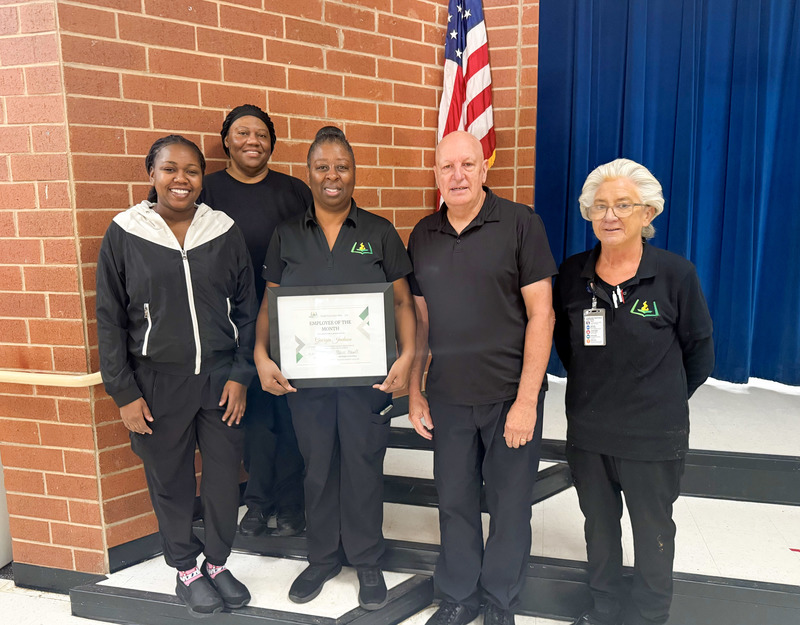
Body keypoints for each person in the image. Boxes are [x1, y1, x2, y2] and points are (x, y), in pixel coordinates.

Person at [253, 126, 416, 610]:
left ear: (354, 172)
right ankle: (322, 557)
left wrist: (407, 357)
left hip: (368, 379)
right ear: (309, 172)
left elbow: (404, 303)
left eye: (341, 166)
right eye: (322, 166)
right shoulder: (286, 235)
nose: (332, 175)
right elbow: (270, 306)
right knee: (318, 467)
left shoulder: (379, 232)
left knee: (364, 465)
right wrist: (262, 356)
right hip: (310, 382)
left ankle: (367, 559)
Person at [96, 135, 258, 618]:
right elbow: (109, 318)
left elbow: (248, 310)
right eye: (170, 169)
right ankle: (186, 569)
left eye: (191, 170)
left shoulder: (223, 229)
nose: (181, 179)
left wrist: (241, 375)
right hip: (156, 383)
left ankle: (217, 562)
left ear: (202, 178)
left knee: (225, 479)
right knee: (170, 481)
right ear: (152, 175)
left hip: (220, 379)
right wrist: (124, 392)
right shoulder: (125, 232)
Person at [553, 159, 714, 625]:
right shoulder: (572, 275)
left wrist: (657, 397)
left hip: (652, 437)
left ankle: (647, 616)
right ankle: (602, 608)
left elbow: (699, 354)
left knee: (652, 535)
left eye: (623, 205)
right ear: (588, 213)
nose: (610, 215)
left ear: (648, 214)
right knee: (599, 532)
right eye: (600, 206)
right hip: (589, 433)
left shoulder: (675, 275)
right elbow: (568, 348)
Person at [407, 131, 558, 625]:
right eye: (447, 167)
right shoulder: (423, 233)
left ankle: (500, 603)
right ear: (435, 173)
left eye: (467, 164)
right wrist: (415, 390)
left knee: (510, 509)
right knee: (454, 504)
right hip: (448, 398)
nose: (457, 175)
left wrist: (527, 402)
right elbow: (422, 322)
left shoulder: (519, 223)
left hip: (506, 398)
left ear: (484, 169)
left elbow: (543, 315)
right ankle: (458, 597)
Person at [201, 104, 309, 538]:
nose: (252, 141)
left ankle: (292, 505)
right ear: (226, 140)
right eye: (242, 133)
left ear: (272, 144)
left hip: (291, 324)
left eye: (262, 135)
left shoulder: (294, 191)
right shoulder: (204, 191)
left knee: (290, 417)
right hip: (230, 327)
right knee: (252, 421)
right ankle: (259, 503)